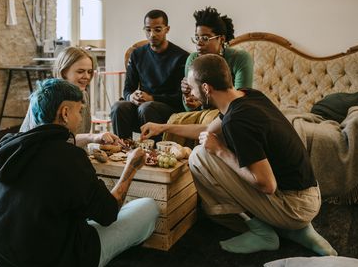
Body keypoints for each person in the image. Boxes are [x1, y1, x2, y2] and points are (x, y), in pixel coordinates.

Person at [141, 54, 337, 256]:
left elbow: (267, 184)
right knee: (209, 148)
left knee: (199, 157)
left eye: (191, 87)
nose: (190, 93)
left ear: (206, 88)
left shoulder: (237, 121)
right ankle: (298, 231)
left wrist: (220, 151)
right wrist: (162, 127)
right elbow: (208, 128)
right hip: (309, 195)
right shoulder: (247, 95)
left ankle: (263, 232)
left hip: (296, 206)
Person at [0, 79, 159, 267]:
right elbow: (108, 214)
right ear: (65, 113)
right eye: (79, 111)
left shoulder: (8, 147)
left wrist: (92, 137)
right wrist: (131, 168)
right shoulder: (69, 158)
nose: (80, 116)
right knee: (148, 207)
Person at [163, 6, 253, 147]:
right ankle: (174, 164)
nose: (199, 43)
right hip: (203, 113)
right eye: (197, 38)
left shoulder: (239, 58)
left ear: (221, 39)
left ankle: (200, 164)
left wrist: (202, 100)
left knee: (209, 121)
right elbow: (189, 109)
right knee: (175, 120)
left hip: (230, 112)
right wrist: (189, 99)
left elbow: (240, 101)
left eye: (205, 38)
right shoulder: (193, 59)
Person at [110, 9, 189, 140]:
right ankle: (123, 150)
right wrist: (131, 97)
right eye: (148, 30)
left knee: (147, 108)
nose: (152, 34)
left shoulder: (181, 57)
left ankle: (153, 153)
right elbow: (128, 89)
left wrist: (152, 98)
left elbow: (180, 97)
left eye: (157, 29)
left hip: (167, 108)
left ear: (167, 29)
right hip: (143, 105)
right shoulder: (137, 54)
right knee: (119, 107)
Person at [20, 46, 120, 148]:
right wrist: (91, 137)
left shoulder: (83, 95)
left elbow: (75, 137)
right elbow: (49, 142)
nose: (87, 76)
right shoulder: (47, 98)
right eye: (80, 71)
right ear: (64, 72)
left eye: (89, 72)